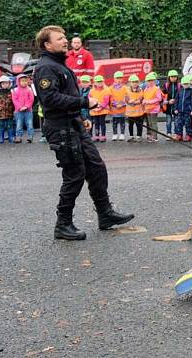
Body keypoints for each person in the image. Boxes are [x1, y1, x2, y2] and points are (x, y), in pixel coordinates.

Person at [33, 25, 134, 240]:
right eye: (59, 38)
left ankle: (105, 214)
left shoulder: (60, 65)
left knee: (96, 167)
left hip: (74, 125)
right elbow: (50, 99)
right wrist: (84, 102)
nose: (65, 40)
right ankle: (63, 223)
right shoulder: (46, 68)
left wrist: (81, 117)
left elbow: (66, 96)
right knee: (74, 175)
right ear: (47, 44)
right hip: (60, 128)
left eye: (65, 37)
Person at [175, 75, 192, 142]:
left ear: (189, 84)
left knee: (188, 124)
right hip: (180, 111)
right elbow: (177, 100)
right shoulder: (180, 91)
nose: (185, 85)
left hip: (188, 111)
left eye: (187, 84)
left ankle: (189, 135)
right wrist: (176, 108)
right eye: (184, 84)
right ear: (182, 84)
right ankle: (179, 134)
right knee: (179, 123)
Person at [13, 73, 35, 143]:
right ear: (18, 82)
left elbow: (31, 99)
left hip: (28, 110)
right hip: (18, 111)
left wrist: (26, 106)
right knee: (19, 124)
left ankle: (30, 136)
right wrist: (20, 107)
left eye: (25, 81)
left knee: (29, 124)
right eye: (22, 81)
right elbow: (14, 100)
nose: (24, 82)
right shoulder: (15, 90)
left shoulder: (29, 89)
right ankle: (18, 137)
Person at [89, 75, 110, 142]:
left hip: (102, 110)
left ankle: (103, 136)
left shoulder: (106, 90)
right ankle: (97, 135)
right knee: (96, 123)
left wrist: (100, 108)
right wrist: (94, 108)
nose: (99, 83)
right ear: (95, 82)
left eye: (101, 81)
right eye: (98, 82)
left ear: (103, 81)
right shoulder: (91, 91)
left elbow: (106, 101)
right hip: (94, 110)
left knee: (102, 123)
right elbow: (90, 100)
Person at [0, 75, 16, 144]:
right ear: (0, 84)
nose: (5, 85)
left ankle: (11, 137)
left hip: (10, 113)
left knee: (10, 126)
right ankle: (1, 138)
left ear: (9, 83)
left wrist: (15, 110)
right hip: (1, 114)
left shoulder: (12, 91)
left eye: (6, 83)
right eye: (3, 83)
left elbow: (14, 102)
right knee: (1, 127)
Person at [142, 72, 162, 143]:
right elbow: (144, 97)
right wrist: (144, 101)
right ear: (146, 82)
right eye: (148, 81)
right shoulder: (146, 89)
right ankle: (151, 136)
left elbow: (158, 99)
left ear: (154, 81)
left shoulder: (157, 89)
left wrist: (148, 101)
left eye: (151, 80)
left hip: (154, 109)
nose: (150, 82)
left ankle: (155, 137)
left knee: (153, 123)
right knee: (149, 124)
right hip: (147, 109)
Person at [124, 75, 145, 142]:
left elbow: (141, 99)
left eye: (136, 82)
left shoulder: (141, 90)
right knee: (130, 125)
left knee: (139, 125)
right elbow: (126, 99)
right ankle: (131, 136)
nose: (134, 83)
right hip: (130, 112)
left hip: (139, 112)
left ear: (138, 82)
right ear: (130, 83)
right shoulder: (127, 90)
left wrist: (135, 102)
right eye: (133, 82)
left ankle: (139, 136)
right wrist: (130, 102)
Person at [109, 71, 127, 141]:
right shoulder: (110, 88)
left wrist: (122, 104)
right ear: (114, 79)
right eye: (117, 78)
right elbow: (110, 98)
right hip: (114, 109)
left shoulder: (125, 88)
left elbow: (126, 96)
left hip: (122, 108)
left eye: (120, 78)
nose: (119, 80)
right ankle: (115, 134)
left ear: (122, 79)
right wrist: (116, 104)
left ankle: (122, 134)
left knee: (122, 121)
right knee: (114, 122)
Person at [162, 70, 181, 136]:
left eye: (175, 76)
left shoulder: (179, 85)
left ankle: (176, 133)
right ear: (169, 77)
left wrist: (175, 100)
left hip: (176, 106)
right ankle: (168, 133)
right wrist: (168, 101)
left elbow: (180, 95)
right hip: (168, 106)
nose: (173, 78)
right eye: (172, 76)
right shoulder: (166, 85)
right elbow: (163, 95)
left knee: (176, 121)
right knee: (168, 121)